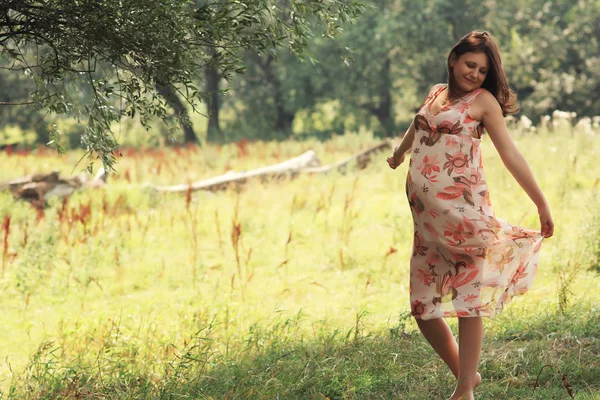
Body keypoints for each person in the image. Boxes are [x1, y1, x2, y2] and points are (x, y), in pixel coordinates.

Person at [386, 30, 554, 400]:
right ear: (453, 60)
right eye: (470, 64)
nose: (475, 73)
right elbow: (418, 125)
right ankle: (466, 374)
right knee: (422, 308)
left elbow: (511, 154)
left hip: (463, 213)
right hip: (428, 223)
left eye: (482, 69)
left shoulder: (484, 103)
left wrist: (541, 202)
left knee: (467, 300)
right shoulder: (434, 92)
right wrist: (399, 155)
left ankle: (464, 388)